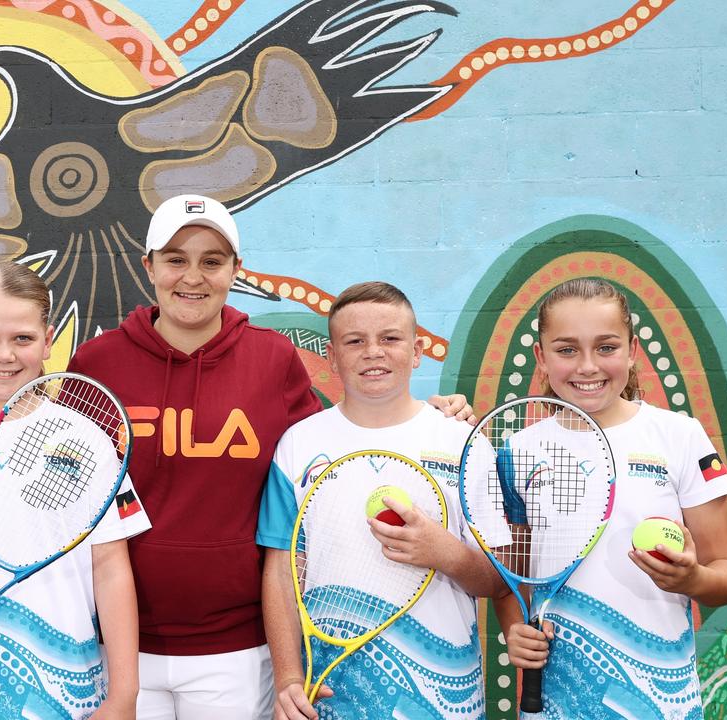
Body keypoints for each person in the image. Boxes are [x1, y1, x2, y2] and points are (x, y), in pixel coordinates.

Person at [63, 196, 472, 718]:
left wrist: (434, 412)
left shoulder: (272, 358)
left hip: (236, 649)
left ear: (235, 269)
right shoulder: (96, 363)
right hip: (116, 647)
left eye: (212, 261)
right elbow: (53, 473)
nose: (193, 276)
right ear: (149, 266)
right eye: (175, 259)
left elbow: (332, 450)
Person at [0, 261, 148, 719]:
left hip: (68, 695)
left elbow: (111, 569)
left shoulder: (87, 438)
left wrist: (123, 696)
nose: (4, 355)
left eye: (22, 338)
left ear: (48, 340)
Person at [499, 277, 727, 718]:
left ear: (633, 351)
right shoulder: (517, 451)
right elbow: (509, 579)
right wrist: (514, 629)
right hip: (554, 699)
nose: (588, 366)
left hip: (661, 700)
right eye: (567, 349)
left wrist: (692, 581)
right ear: (541, 357)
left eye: (607, 347)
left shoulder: (679, 436)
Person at [256, 281, 502, 720]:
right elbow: (280, 573)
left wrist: (446, 554)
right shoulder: (297, 445)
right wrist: (290, 679)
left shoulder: (463, 441)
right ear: (331, 356)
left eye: (390, 338)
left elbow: (497, 582)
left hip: (445, 702)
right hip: (329, 697)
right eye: (355, 341)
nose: (374, 352)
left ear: (417, 350)